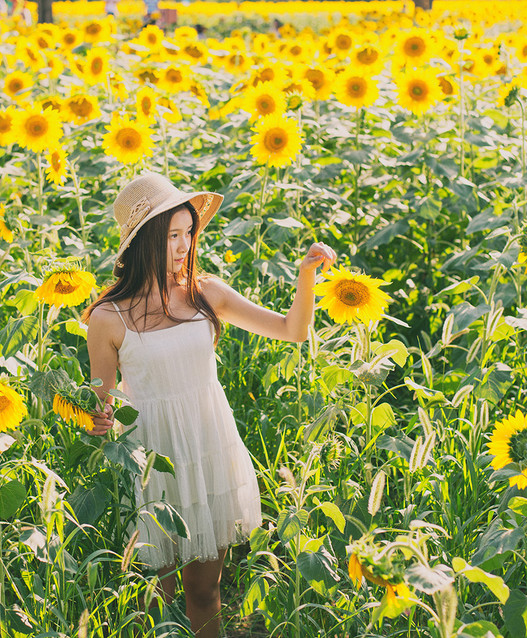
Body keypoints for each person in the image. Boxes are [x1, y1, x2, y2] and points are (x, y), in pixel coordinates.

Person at [82, 172, 336, 637]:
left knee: (204, 592)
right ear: (142, 242)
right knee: (150, 602)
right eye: (171, 235)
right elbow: (102, 402)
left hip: (209, 448)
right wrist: (97, 420)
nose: (183, 246)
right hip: (152, 462)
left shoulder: (206, 293)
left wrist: (305, 276)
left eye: (188, 233)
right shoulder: (107, 317)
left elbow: (291, 330)